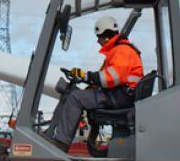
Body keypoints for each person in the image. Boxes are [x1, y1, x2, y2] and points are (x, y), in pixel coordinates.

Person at [46, 15, 144, 150]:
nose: (98, 41)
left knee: (75, 97)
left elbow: (111, 78)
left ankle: (61, 143)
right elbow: (108, 77)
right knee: (79, 94)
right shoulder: (121, 50)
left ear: (106, 36)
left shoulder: (121, 51)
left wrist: (86, 76)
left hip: (118, 97)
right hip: (120, 95)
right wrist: (90, 82)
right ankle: (64, 140)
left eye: (99, 37)